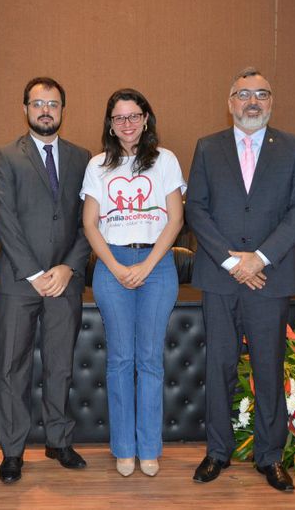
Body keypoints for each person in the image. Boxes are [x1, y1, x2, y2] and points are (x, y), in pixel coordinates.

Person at [185, 67, 295, 492]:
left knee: (268, 368)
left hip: (270, 278)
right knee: (219, 366)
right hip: (221, 278)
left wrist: (259, 258)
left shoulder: (293, 147)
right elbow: (196, 209)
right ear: (230, 102)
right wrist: (231, 262)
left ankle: (270, 456)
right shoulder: (208, 147)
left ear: (272, 101)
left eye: (261, 94)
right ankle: (217, 452)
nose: (252, 102)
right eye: (244, 94)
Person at [0, 77, 91, 484]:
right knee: (12, 368)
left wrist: (68, 267)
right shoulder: (6, 155)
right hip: (19, 281)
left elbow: (90, 221)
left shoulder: (83, 158)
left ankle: (58, 440)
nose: (45, 110)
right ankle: (13, 451)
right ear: (25, 109)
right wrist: (34, 273)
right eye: (37, 103)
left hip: (65, 281)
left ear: (63, 109)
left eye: (53, 104)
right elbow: (4, 218)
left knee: (60, 364)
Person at [81, 89, 185, 477]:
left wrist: (147, 264)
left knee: (150, 360)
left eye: (134, 116)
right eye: (119, 117)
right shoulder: (98, 165)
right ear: (110, 124)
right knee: (121, 360)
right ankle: (124, 447)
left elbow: (175, 219)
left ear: (145, 119)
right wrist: (113, 265)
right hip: (112, 265)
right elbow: (90, 223)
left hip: (157, 265)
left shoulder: (165, 160)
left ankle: (149, 448)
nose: (127, 123)